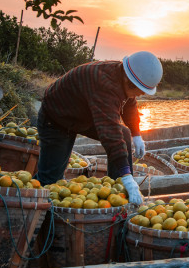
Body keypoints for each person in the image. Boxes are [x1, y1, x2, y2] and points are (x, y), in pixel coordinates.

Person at [35, 51, 163, 205]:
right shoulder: (105, 86)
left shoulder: (123, 75)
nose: (141, 95)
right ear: (130, 81)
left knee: (124, 133)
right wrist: (128, 176)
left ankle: (118, 193)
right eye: (140, 91)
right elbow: (110, 134)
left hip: (81, 115)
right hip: (57, 118)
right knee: (50, 180)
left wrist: (136, 134)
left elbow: (130, 102)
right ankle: (32, 214)